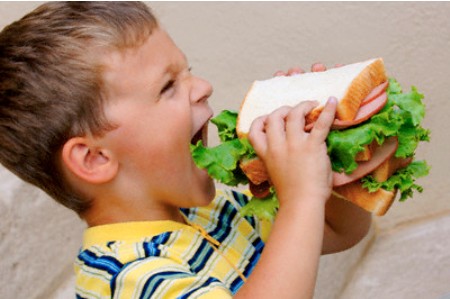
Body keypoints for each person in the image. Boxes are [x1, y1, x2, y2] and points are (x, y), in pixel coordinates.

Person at [0, 2, 371, 298]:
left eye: (188, 70)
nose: (204, 86)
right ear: (95, 159)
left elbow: (339, 232)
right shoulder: (128, 276)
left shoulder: (215, 209)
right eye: (167, 86)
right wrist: (301, 196)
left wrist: (332, 153)